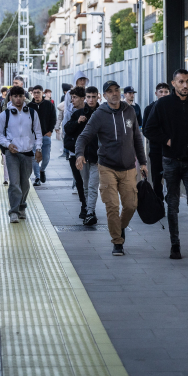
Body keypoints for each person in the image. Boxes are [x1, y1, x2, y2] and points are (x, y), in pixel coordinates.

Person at [143, 69, 188, 263]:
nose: (185, 85)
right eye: (181, 82)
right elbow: (149, 129)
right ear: (173, 83)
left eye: (187, 82)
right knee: (172, 204)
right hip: (171, 161)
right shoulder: (163, 105)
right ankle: (175, 246)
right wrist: (166, 141)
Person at [75, 81, 147, 256]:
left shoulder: (129, 111)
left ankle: (120, 227)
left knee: (130, 205)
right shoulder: (99, 114)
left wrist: (143, 162)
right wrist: (79, 154)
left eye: (116, 90)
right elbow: (84, 136)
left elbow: (137, 138)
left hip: (129, 167)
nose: (114, 94)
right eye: (110, 92)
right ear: (104, 96)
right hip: (107, 167)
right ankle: (117, 242)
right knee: (112, 206)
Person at [0, 85, 43, 223]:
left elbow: (38, 133)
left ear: (24, 97)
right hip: (12, 153)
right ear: (11, 98)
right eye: (15, 96)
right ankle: (14, 211)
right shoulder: (5, 115)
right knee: (14, 183)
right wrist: (8, 145)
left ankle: (22, 206)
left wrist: (38, 149)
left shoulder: (32, 113)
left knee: (25, 183)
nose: (18, 99)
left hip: (27, 153)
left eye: (20, 96)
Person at [65, 86, 101, 225]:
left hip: (98, 156)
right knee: (86, 185)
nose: (91, 99)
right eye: (89, 97)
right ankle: (88, 209)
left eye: (93, 96)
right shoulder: (79, 113)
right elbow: (68, 130)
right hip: (83, 156)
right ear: (85, 98)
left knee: (93, 185)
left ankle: (90, 212)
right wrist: (77, 121)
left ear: (98, 97)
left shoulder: (103, 112)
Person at [141, 83, 170, 202]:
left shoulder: (173, 108)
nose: (163, 94)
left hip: (171, 150)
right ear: (156, 93)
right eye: (161, 92)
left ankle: (171, 200)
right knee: (157, 178)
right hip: (156, 150)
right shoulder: (149, 109)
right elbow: (146, 131)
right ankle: (159, 201)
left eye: (166, 92)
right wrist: (162, 139)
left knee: (172, 177)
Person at [61, 86, 87, 218]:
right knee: (79, 181)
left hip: (88, 153)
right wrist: (77, 122)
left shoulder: (91, 111)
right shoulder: (70, 113)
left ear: (83, 98)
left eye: (75, 97)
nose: (72, 100)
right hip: (73, 152)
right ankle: (84, 205)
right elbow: (67, 129)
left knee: (89, 182)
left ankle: (89, 207)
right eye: (71, 97)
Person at [29, 85, 56, 186]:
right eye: (34, 93)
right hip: (33, 137)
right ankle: (37, 178)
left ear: (42, 93)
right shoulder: (29, 106)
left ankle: (42, 170)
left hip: (45, 135)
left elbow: (53, 118)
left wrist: (50, 131)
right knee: (35, 158)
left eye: (38, 92)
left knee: (46, 158)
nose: (36, 95)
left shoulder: (49, 105)